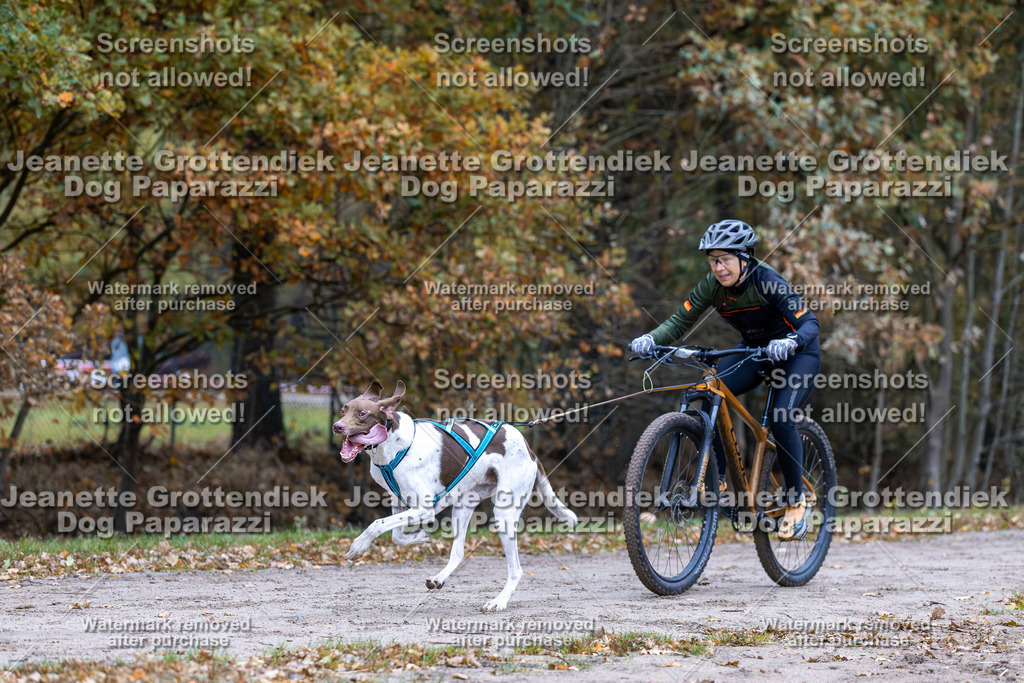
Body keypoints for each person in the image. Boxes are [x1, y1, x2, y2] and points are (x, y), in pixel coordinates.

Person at [629, 219, 820, 541]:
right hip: (754, 351)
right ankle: (714, 478)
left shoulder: (768, 281)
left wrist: (791, 342)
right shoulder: (713, 286)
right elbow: (680, 320)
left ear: (745, 258)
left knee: (781, 417)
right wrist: (650, 337)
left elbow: (810, 323)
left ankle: (796, 499)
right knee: (709, 391)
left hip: (797, 354)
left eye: (725, 259)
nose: (718, 267)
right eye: (713, 260)